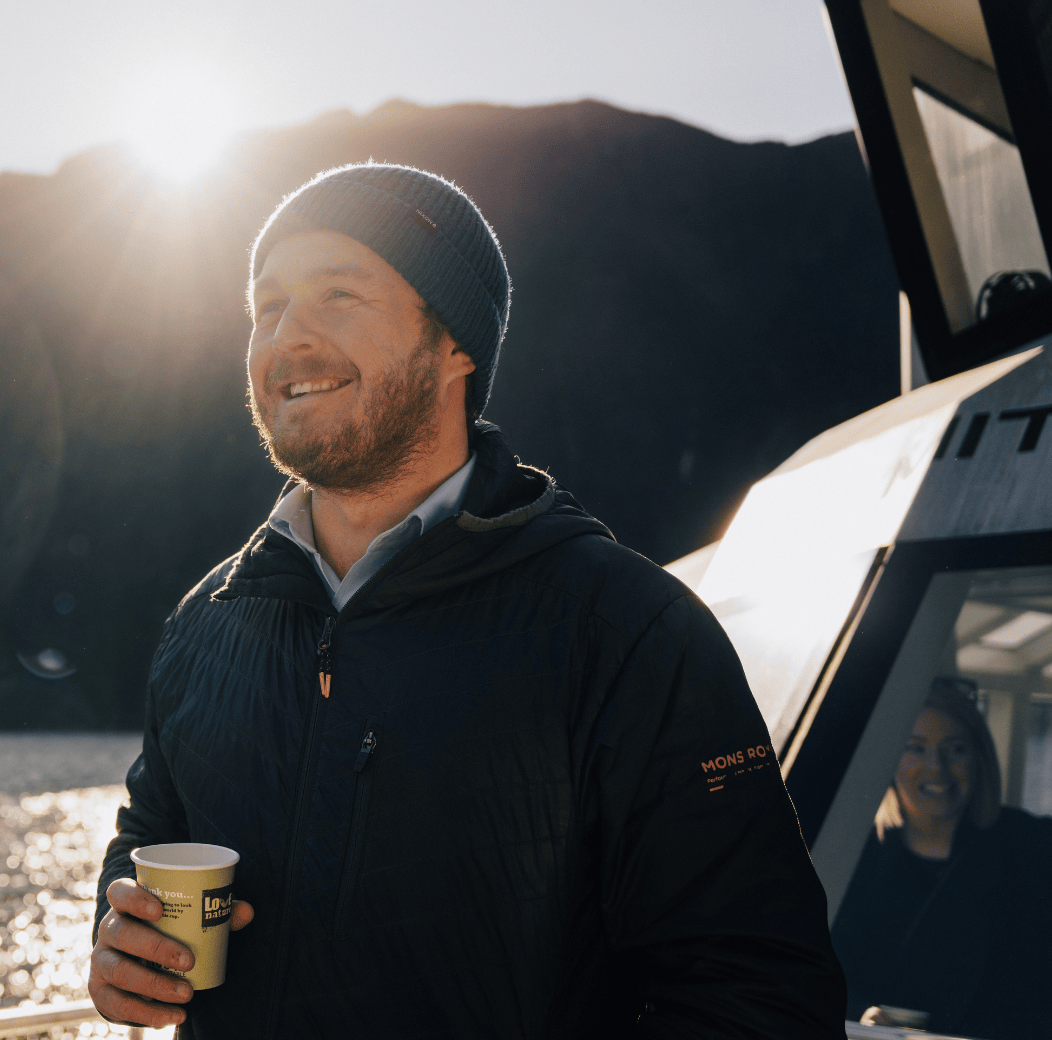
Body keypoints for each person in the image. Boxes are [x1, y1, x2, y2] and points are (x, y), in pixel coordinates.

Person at [87, 164, 846, 1038]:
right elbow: (150, 834)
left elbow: (758, 996)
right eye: (268, 306)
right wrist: (122, 943)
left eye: (339, 294)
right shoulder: (205, 624)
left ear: (457, 346)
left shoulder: (625, 630)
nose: (287, 337)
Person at [830, 679, 1052, 1040]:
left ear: (980, 758)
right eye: (914, 748)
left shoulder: (1033, 848)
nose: (936, 767)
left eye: (956, 749)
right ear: (889, 759)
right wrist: (860, 1013)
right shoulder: (848, 853)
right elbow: (820, 970)